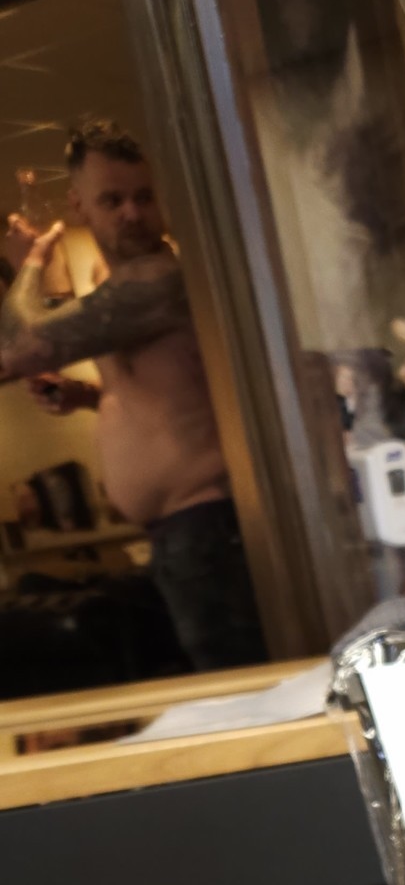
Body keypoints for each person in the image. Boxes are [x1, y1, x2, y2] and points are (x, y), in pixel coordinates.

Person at [0, 120, 266, 670]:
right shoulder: (113, 285)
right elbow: (166, 391)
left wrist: (32, 261)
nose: (132, 213)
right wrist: (86, 397)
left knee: (241, 686)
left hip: (209, 527)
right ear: (79, 205)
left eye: (143, 197)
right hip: (181, 535)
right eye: (113, 200)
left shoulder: (157, 279)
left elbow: (19, 347)